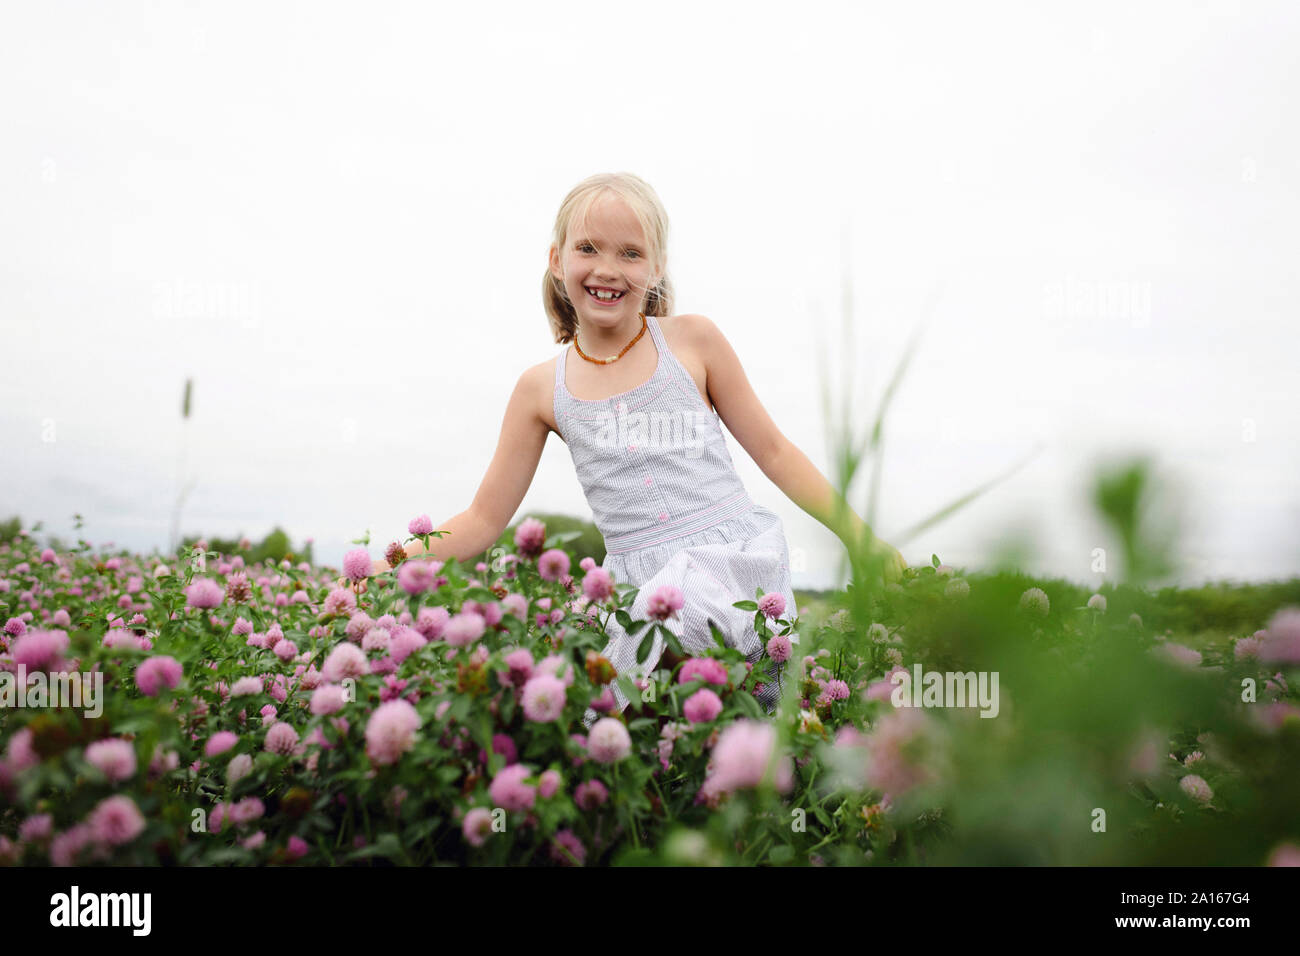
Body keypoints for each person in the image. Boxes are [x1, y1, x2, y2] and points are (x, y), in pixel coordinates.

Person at [343, 172, 906, 720]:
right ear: (556, 259)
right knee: (663, 740)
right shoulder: (543, 388)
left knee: (730, 702)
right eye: (588, 248)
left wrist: (865, 541)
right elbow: (482, 518)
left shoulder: (694, 341)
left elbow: (777, 453)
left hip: (733, 567)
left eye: (631, 254)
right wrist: (383, 565)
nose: (607, 270)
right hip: (638, 587)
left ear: (656, 268)